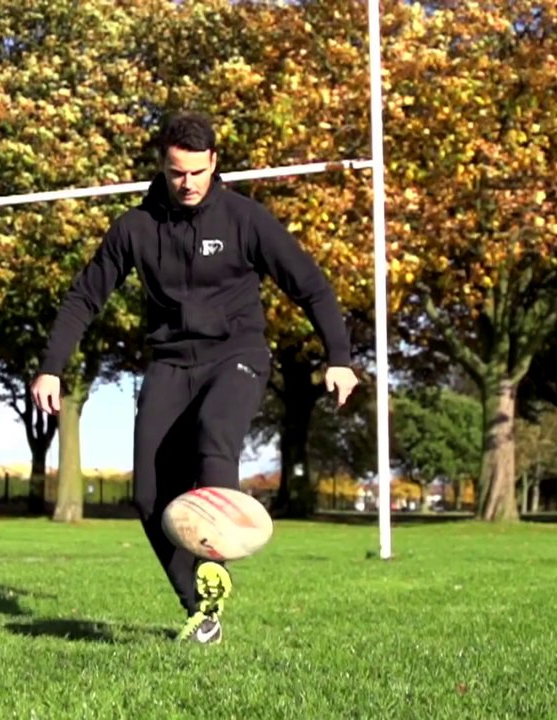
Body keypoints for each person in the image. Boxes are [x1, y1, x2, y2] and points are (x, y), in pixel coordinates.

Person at [31, 111, 359, 644]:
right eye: (176, 173)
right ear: (163, 166)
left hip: (237, 354)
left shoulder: (244, 219)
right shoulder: (136, 228)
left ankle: (216, 559)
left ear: (214, 163)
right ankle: (202, 610)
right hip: (170, 363)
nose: (186, 184)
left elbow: (310, 284)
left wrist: (338, 356)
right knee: (149, 495)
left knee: (213, 433)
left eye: (196, 173)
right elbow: (83, 297)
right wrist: (51, 367)